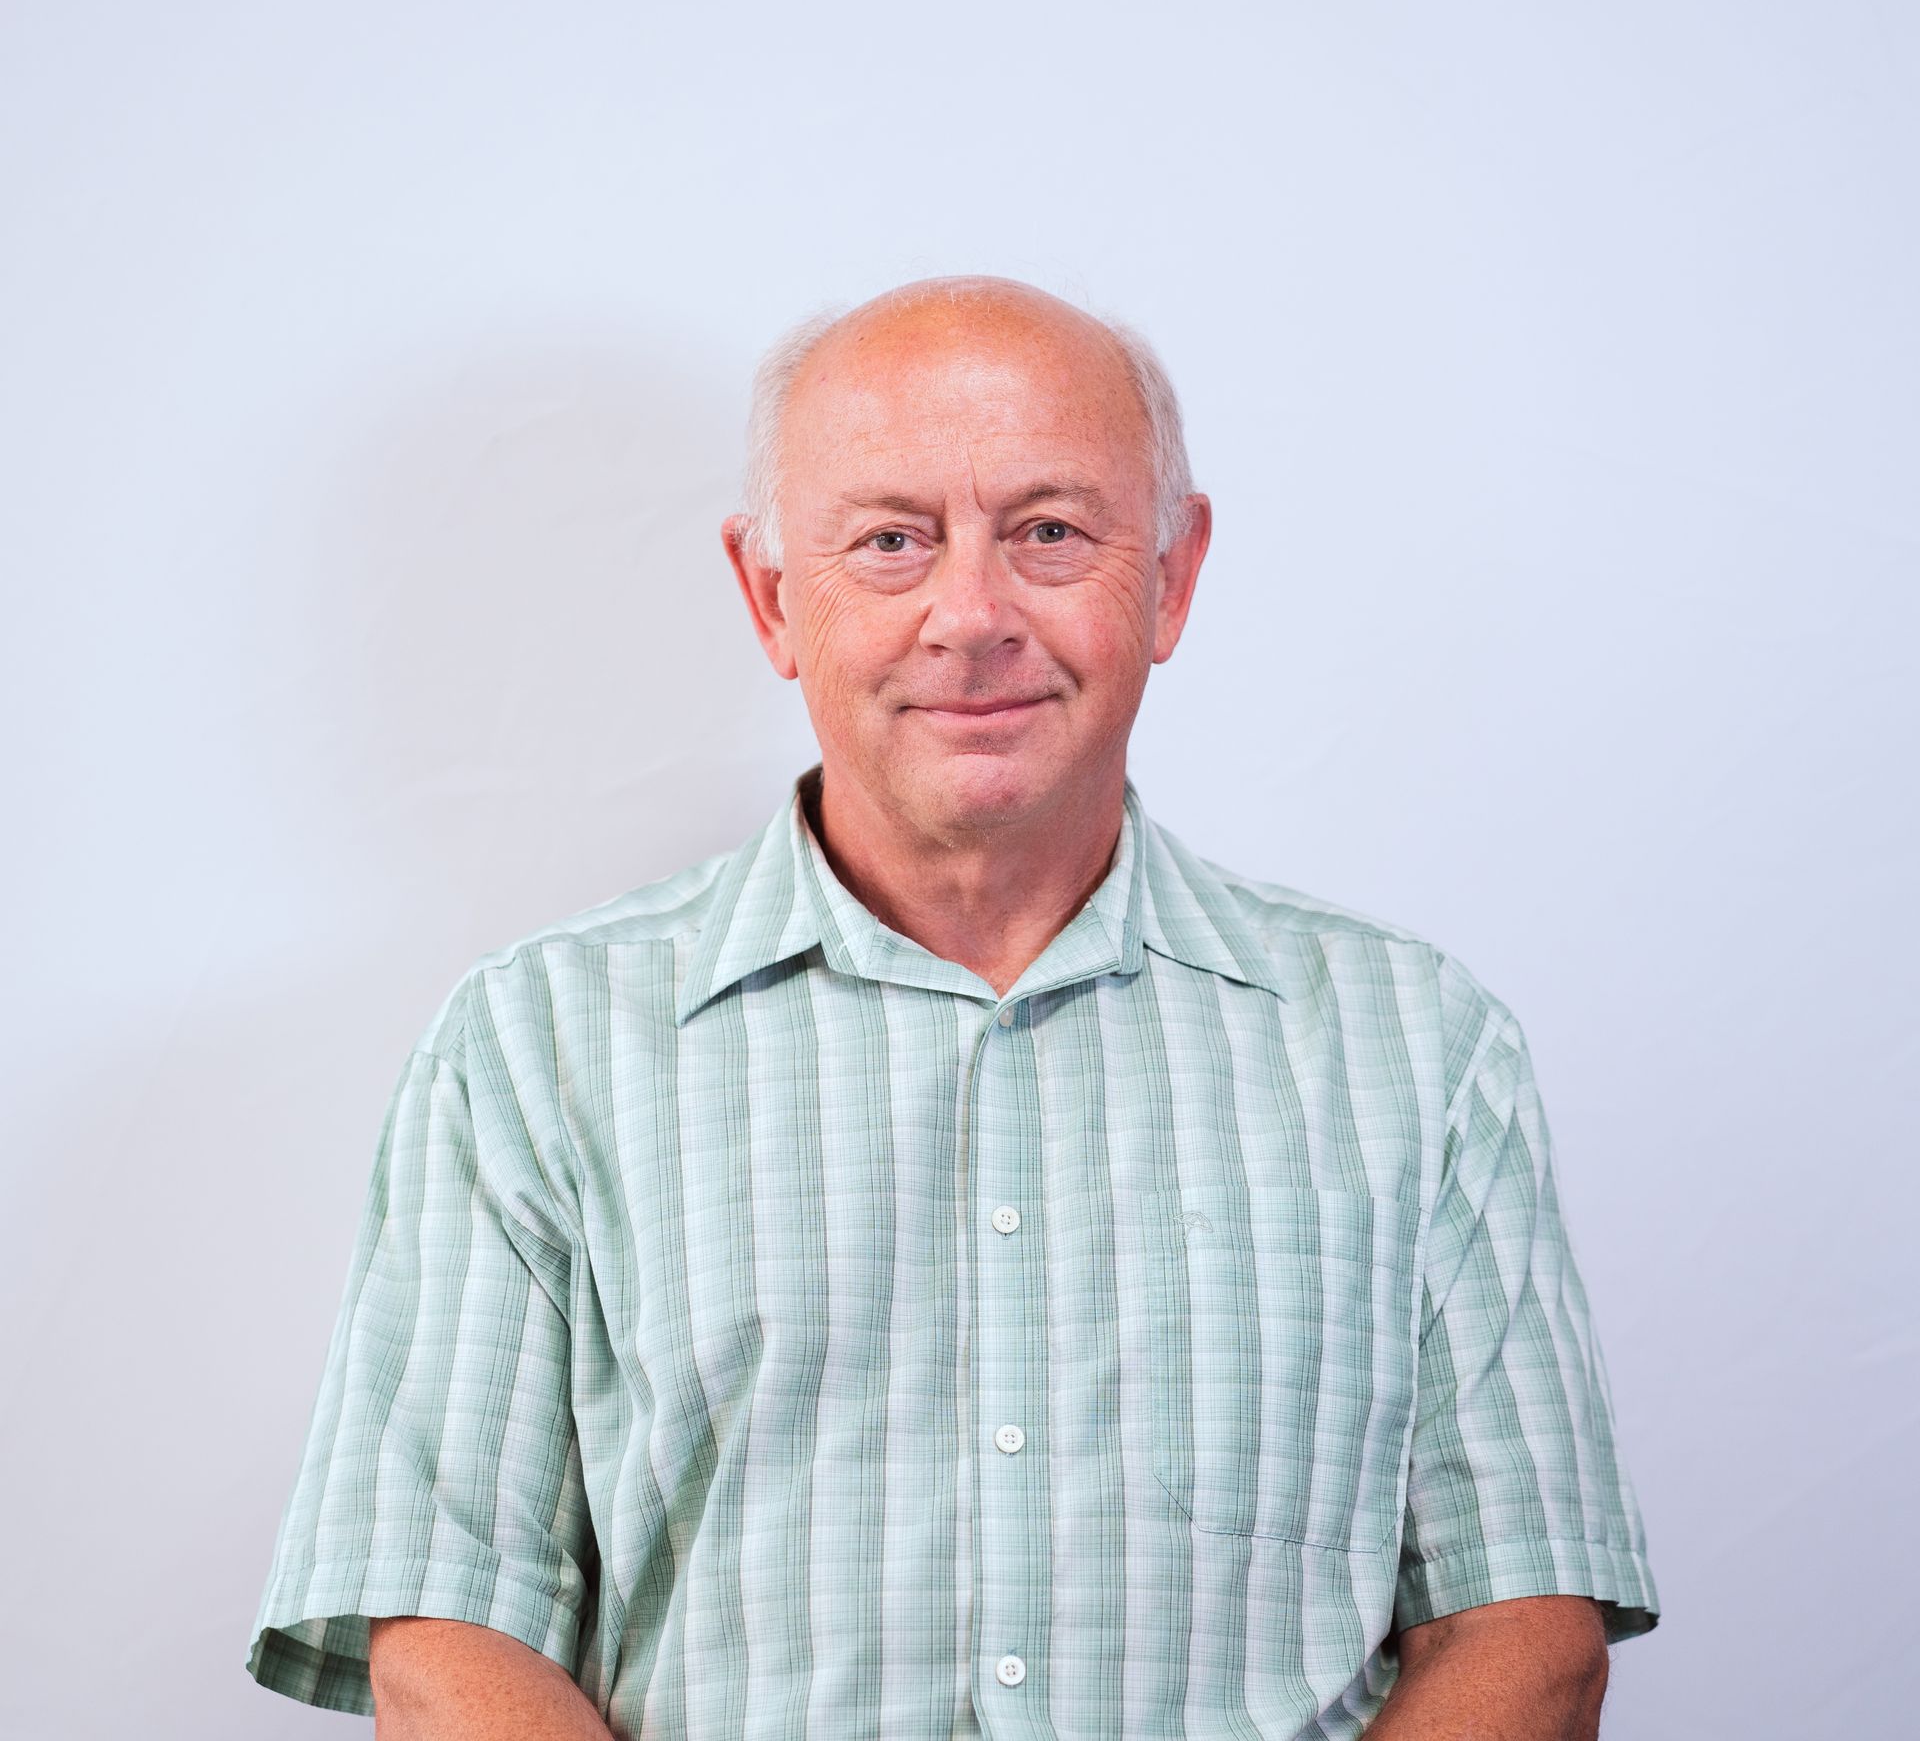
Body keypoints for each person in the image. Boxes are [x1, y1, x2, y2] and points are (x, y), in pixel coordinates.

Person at [246, 276, 1660, 1739]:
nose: (970, 615)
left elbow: (1527, 1627)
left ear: (1171, 577)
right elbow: (442, 1631)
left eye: (1049, 532)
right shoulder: (534, 1048)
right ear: (772, 597)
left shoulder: (1415, 1050)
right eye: (890, 542)